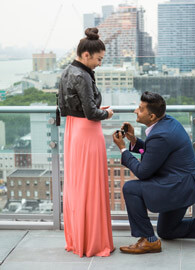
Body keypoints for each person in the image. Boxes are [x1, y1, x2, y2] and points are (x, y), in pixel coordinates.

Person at [113, 91, 195, 254]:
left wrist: (123, 149)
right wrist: (133, 141)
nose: (135, 111)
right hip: (185, 183)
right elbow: (154, 154)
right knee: (167, 231)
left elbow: (143, 171)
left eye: (140, 109)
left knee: (131, 188)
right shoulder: (167, 123)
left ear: (152, 116)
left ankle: (149, 240)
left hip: (179, 186)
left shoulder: (160, 135)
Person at [58, 28, 114, 257]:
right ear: (87, 55)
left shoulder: (67, 71)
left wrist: (91, 111)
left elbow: (67, 108)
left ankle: (78, 239)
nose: (100, 63)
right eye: (99, 59)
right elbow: (91, 113)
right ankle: (93, 241)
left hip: (73, 130)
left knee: (78, 186)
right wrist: (108, 113)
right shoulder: (82, 75)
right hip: (87, 131)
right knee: (91, 186)